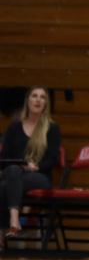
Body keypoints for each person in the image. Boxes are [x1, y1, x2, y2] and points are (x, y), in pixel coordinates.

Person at [1, 87, 60, 247]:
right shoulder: (14, 127)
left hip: (39, 176)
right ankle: (14, 218)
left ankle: (6, 228)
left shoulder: (52, 129)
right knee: (9, 176)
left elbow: (53, 159)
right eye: (34, 96)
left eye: (42, 97)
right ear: (28, 101)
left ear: (46, 103)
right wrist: (22, 165)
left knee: (5, 184)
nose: (38, 100)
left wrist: (35, 167)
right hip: (15, 173)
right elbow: (5, 157)